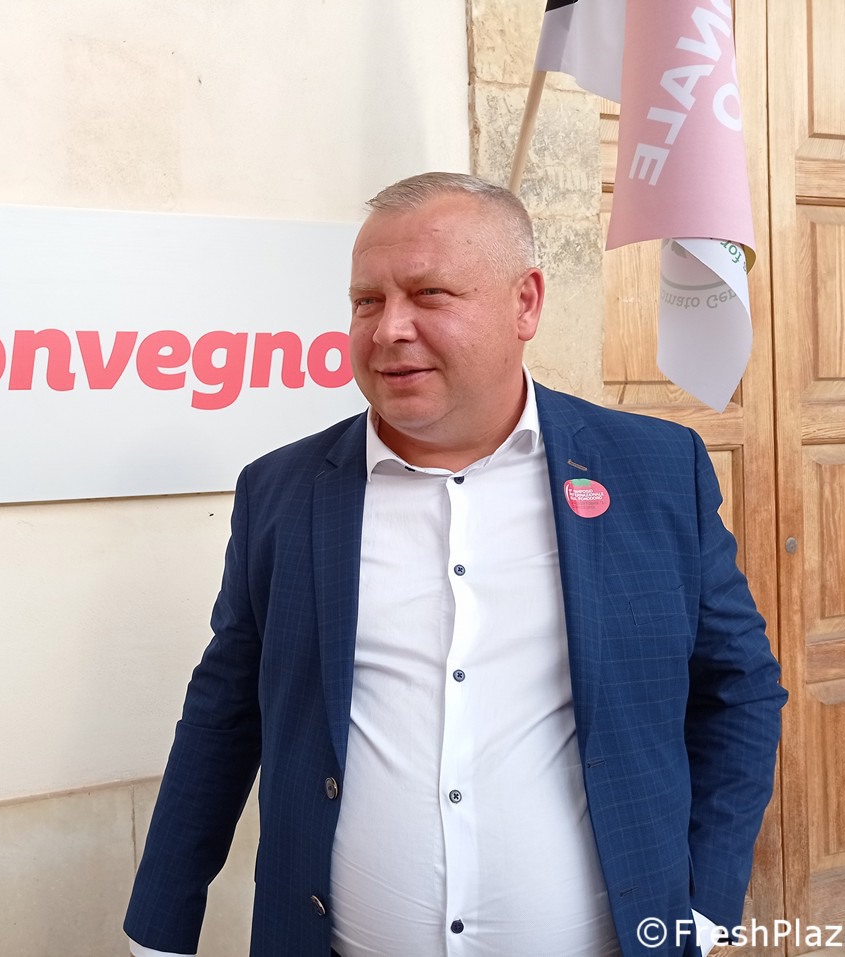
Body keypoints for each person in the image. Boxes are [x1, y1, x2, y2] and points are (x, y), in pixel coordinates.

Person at [123, 172, 786, 957]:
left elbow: (740, 688)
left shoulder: (654, 469)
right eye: (366, 300)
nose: (388, 329)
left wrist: (702, 907)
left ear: (525, 303)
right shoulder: (282, 492)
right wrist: (161, 928)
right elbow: (224, 712)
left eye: (429, 294)